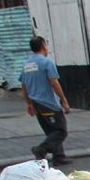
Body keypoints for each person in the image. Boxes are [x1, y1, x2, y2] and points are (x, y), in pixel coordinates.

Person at [22, 37, 71, 166]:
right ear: (43, 46)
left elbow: (24, 86)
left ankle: (59, 157)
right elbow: (54, 83)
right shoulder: (46, 62)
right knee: (60, 131)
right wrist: (64, 100)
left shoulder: (26, 65)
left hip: (36, 103)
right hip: (48, 103)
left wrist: (28, 103)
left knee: (51, 131)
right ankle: (41, 149)